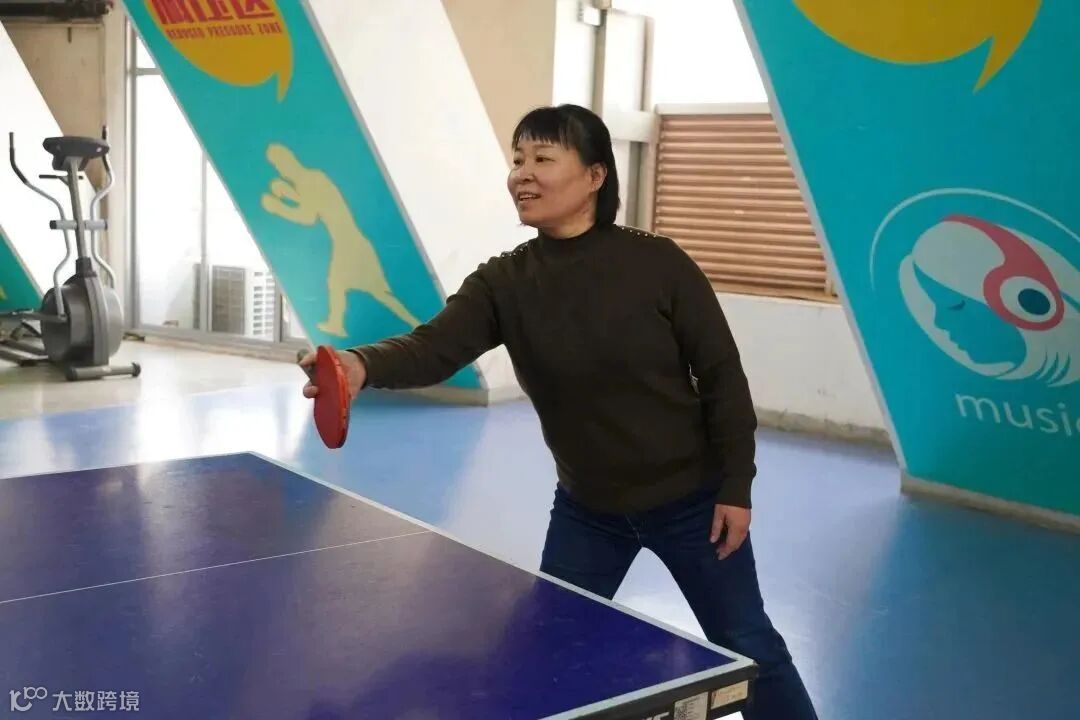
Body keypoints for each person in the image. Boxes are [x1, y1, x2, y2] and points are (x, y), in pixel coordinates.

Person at [300, 103, 818, 719]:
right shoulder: (504, 282)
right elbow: (433, 347)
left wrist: (736, 486)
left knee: (750, 647)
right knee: (548, 651)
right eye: (517, 159)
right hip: (588, 511)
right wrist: (359, 366)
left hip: (691, 505)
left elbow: (723, 378)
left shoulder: (659, 264)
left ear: (595, 176)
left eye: (543, 158)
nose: (522, 173)